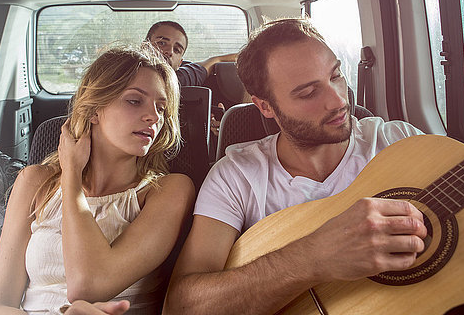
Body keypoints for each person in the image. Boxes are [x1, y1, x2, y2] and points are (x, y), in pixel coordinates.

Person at [162, 18, 427, 314]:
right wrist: (313, 258)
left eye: (336, 75)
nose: (339, 100)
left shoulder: (399, 140)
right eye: (308, 93)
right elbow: (181, 307)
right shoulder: (235, 176)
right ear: (266, 106)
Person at [0, 46, 195, 315]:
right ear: (94, 110)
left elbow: (87, 285)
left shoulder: (169, 190)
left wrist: (71, 179)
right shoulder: (34, 182)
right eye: (135, 101)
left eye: (161, 107)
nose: (154, 116)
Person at [145, 21, 237, 87]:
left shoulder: (181, 79)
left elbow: (211, 62)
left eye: (177, 50)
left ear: (179, 63)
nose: (169, 52)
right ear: (144, 47)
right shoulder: (130, 72)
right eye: (162, 43)